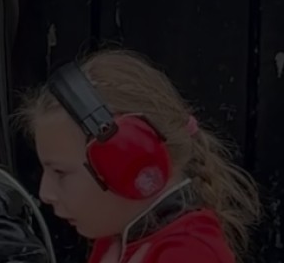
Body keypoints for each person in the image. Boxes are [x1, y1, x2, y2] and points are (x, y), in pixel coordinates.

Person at [18, 49, 262, 263]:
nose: (44, 193)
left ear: (128, 161)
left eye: (60, 172)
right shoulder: (116, 237)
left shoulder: (189, 254)